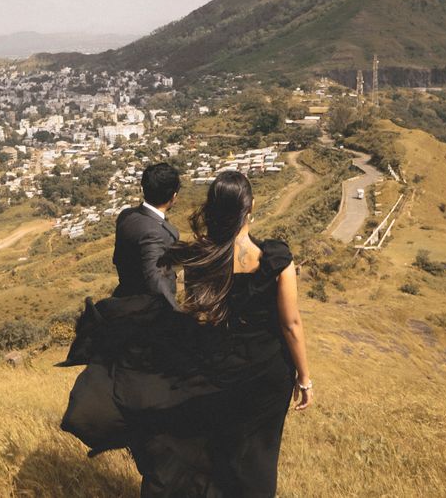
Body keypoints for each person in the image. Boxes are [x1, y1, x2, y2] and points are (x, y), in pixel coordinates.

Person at [60, 170, 313, 497]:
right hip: (268, 374)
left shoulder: (200, 259)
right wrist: (304, 378)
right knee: (260, 454)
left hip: (221, 369)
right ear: (250, 208)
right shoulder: (276, 258)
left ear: (213, 210)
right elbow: (291, 324)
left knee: (220, 446)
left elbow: (200, 316)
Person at [112, 163, 182, 309]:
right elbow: (155, 281)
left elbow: (118, 258)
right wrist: (177, 315)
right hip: (147, 310)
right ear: (173, 196)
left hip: (123, 295)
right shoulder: (155, 233)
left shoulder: (126, 216)